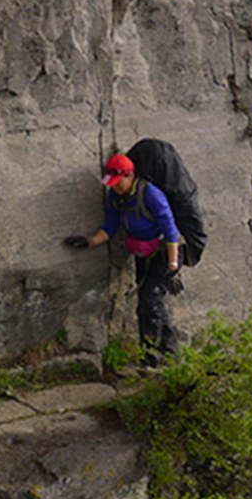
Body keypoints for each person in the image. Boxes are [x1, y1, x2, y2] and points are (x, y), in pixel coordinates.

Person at [64, 153, 182, 368]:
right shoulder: (116, 196)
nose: (115, 187)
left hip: (165, 253)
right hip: (143, 254)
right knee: (152, 303)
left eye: (118, 182)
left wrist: (173, 267)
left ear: (130, 175)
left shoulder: (150, 194)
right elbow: (111, 226)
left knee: (148, 301)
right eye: (112, 183)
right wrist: (89, 242)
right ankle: (170, 354)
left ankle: (151, 360)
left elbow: (170, 229)